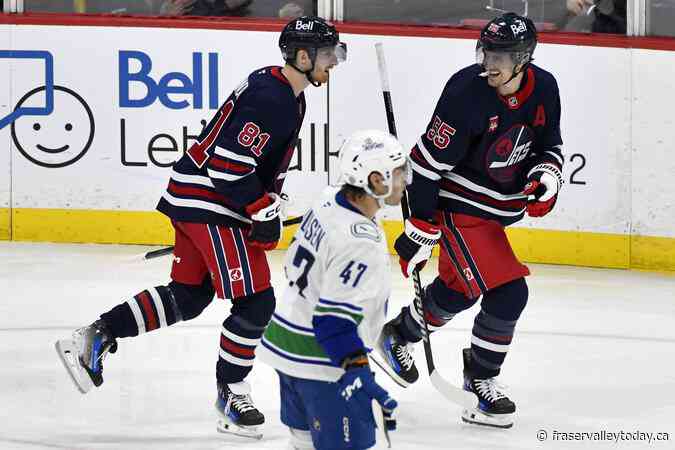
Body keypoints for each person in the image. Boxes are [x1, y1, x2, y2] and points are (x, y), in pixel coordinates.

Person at [55, 16, 346, 439]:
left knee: (189, 297)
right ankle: (231, 392)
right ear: (302, 56)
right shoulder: (274, 98)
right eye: (326, 54)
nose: (333, 62)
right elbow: (228, 167)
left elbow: (258, 163)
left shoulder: (285, 91)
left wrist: (268, 206)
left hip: (199, 197)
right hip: (211, 202)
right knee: (256, 302)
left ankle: (94, 337)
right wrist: (260, 210)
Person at [375, 12, 564, 429]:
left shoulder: (545, 87)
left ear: (524, 59)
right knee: (509, 294)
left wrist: (546, 176)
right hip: (458, 206)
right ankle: (481, 378)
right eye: (486, 52)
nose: (490, 63)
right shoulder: (466, 91)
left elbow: (548, 143)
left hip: (496, 212)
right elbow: (424, 167)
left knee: (459, 292)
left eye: (501, 56)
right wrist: (420, 227)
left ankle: (398, 334)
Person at [257, 129, 409, 449]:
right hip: (324, 362)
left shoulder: (328, 198)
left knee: (303, 443)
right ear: (375, 180)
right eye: (397, 173)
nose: (404, 179)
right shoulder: (359, 242)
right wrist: (356, 366)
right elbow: (332, 322)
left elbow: (291, 269)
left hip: (287, 343)